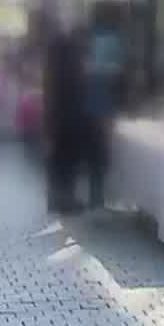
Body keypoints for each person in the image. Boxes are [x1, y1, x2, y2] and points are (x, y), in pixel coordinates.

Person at [42, 17, 97, 214]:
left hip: (58, 119)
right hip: (69, 120)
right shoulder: (71, 64)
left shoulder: (56, 63)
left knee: (58, 160)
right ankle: (65, 201)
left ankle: (56, 199)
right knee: (67, 161)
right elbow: (76, 92)